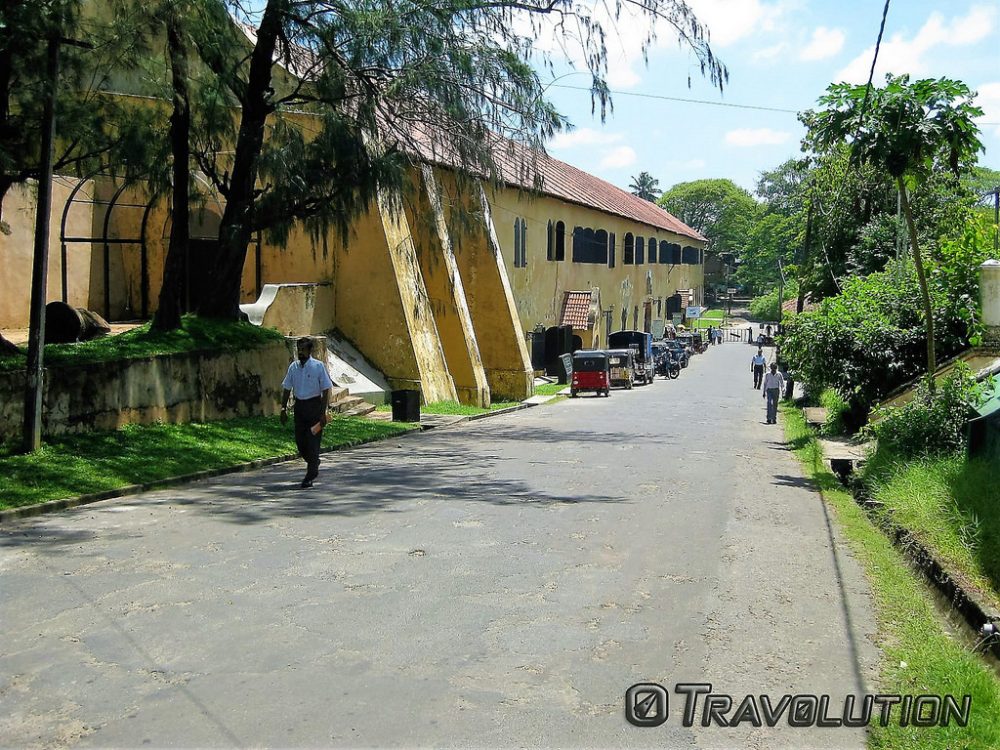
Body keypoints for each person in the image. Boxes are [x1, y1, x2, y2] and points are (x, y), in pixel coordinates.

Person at [280, 337, 333, 488]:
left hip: (314, 407)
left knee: (313, 443)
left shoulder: (318, 366)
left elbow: (326, 389)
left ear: (310, 350)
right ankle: (314, 462)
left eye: (303, 349)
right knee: (301, 443)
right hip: (300, 408)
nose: (301, 352)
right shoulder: (293, 367)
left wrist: (323, 413)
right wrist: (283, 408)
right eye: (299, 349)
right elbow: (287, 388)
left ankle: (310, 475)